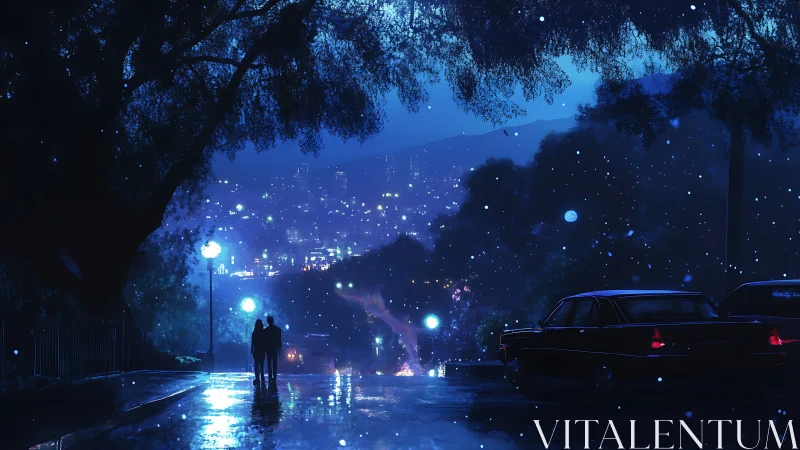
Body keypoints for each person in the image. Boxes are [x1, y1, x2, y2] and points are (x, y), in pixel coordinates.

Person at [264, 316, 282, 383]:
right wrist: (280, 349)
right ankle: (274, 376)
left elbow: (265, 341)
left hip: (269, 349)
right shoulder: (277, 330)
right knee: (274, 363)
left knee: (269, 363)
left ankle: (270, 375)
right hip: (274, 348)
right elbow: (279, 340)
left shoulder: (266, 330)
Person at [251, 319, 267, 385]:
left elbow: (253, 342)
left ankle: (257, 377)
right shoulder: (263, 332)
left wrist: (252, 349)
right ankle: (262, 376)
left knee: (256, 364)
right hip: (262, 349)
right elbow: (265, 341)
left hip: (256, 349)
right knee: (261, 363)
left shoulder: (254, 333)